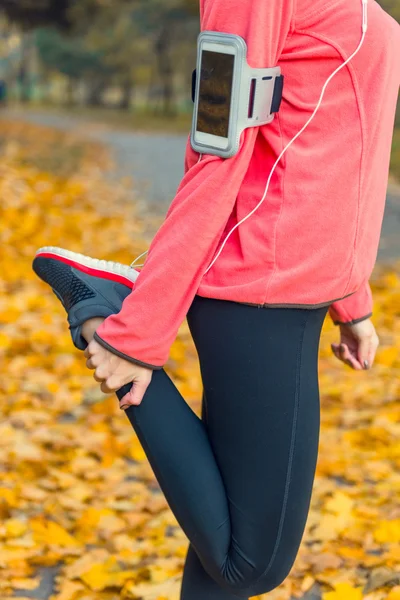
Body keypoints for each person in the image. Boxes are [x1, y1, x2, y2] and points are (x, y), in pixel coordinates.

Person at [32, 0, 400, 597]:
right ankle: (106, 316)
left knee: (219, 549)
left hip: (297, 290)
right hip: (256, 290)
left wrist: (352, 296)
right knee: (249, 563)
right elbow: (217, 153)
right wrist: (139, 335)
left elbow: (338, 142)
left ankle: (115, 311)